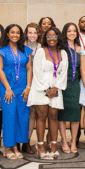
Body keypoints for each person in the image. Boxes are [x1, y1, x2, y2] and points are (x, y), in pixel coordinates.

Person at [27, 27, 68, 159]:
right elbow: (37, 72)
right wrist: (46, 90)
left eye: (54, 36)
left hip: (56, 88)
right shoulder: (40, 52)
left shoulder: (63, 53)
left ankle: (54, 147)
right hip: (41, 88)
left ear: (58, 38)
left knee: (54, 116)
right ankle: (41, 147)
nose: (51, 38)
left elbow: (64, 73)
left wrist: (55, 88)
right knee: (42, 116)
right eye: (49, 36)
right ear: (45, 38)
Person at [0, 24, 32, 160]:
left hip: (23, 87)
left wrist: (28, 87)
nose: (15, 35)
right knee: (9, 115)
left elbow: (29, 69)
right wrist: (8, 88)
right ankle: (8, 147)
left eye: (18, 33)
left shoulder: (26, 50)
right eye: (12, 32)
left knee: (21, 115)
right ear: (8, 34)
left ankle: (16, 146)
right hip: (7, 87)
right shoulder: (1, 50)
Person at [58, 23, 84, 154]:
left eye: (74, 31)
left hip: (75, 85)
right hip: (62, 85)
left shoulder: (80, 49)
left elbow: (83, 70)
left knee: (75, 114)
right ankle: (63, 141)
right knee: (62, 115)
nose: (72, 33)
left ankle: (73, 141)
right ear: (65, 32)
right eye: (69, 31)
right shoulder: (60, 48)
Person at [22, 22, 42, 154]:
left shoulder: (42, 48)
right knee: (23, 114)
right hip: (24, 84)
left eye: (35, 32)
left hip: (38, 84)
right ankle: (21, 140)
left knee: (33, 115)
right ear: (26, 34)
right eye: (30, 32)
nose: (32, 35)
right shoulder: (21, 48)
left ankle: (27, 142)